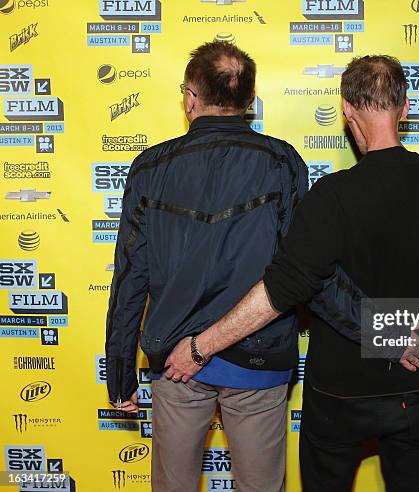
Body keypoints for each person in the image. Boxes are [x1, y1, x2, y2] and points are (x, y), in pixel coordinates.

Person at [166, 55, 419, 491]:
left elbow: (283, 287)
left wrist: (201, 346)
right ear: (406, 108)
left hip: (339, 395)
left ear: (347, 108)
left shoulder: (333, 195)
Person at [104, 41, 308, 492]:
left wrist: (119, 371)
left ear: (190, 97)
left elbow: (130, 276)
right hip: (260, 357)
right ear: (249, 102)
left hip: (177, 361)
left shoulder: (151, 166)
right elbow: (299, 270)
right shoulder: (283, 161)